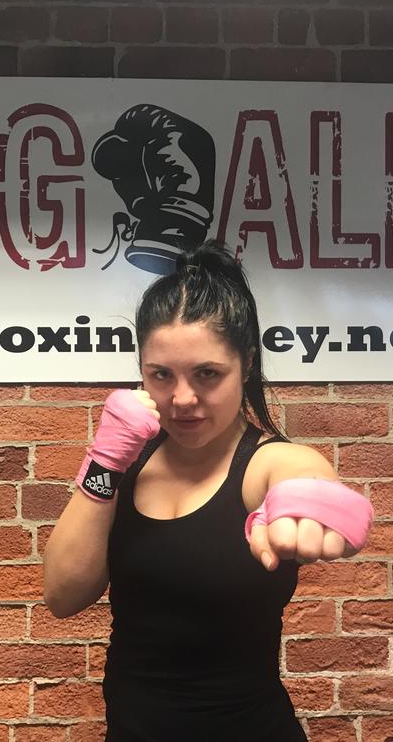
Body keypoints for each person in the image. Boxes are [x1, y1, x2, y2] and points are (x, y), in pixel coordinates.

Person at [43, 241, 374, 742]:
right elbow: (63, 595)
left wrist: (312, 500)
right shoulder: (129, 461)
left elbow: (299, 473)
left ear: (247, 363)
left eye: (207, 374)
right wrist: (104, 462)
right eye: (161, 375)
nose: (182, 399)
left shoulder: (264, 464)